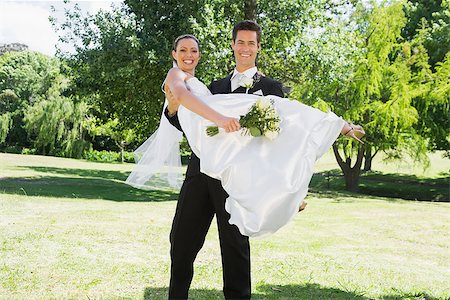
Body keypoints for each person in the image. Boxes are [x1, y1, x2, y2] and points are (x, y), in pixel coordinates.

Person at [126, 22, 364, 300]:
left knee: (235, 246)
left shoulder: (271, 88)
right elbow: (190, 126)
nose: (245, 48)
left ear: (258, 48)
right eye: (241, 42)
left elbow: (286, 138)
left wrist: (291, 189)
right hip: (201, 173)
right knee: (182, 241)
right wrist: (175, 108)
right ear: (233, 45)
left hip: (239, 181)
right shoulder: (214, 86)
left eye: (251, 43)